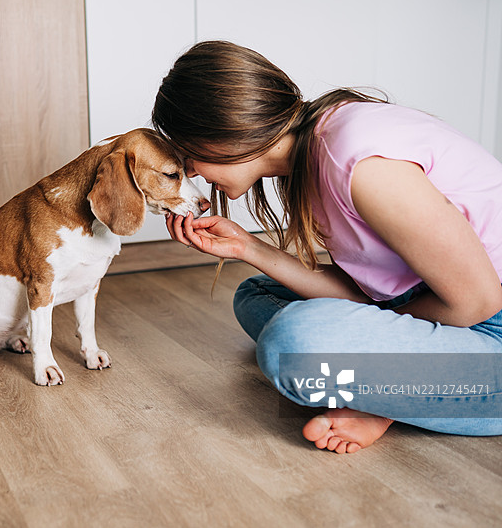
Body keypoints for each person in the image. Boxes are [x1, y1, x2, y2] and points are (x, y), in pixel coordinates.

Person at [153, 40, 502, 454]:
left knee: (293, 342)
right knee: (255, 294)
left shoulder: (358, 164)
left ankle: (386, 393)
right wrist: (248, 248)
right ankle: (392, 382)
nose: (191, 171)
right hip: (434, 299)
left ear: (226, 132)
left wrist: (373, 340)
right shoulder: (314, 146)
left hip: (486, 323)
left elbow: (475, 303)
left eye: (190, 154)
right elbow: (372, 296)